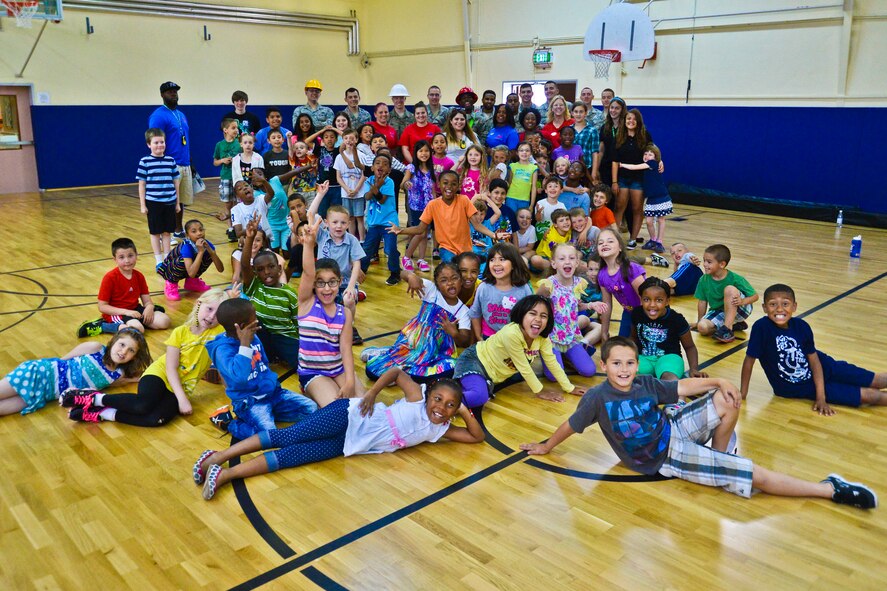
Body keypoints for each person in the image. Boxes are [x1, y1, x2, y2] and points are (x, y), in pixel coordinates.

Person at [520, 337, 878, 510]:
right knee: (753, 474)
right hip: (665, 460)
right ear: (604, 365)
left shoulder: (645, 383)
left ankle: (719, 455)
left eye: (630, 363)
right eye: (617, 364)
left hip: (672, 428)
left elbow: (684, 386)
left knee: (728, 398)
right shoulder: (596, 398)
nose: (625, 370)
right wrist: (546, 447)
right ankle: (830, 489)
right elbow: (571, 424)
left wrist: (720, 381)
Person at [194, 367, 484, 500]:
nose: (441, 408)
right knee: (288, 436)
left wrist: (462, 412)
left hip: (350, 444)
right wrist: (371, 393)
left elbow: (476, 437)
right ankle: (219, 456)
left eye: (450, 406)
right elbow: (396, 372)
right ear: (428, 394)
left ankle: (226, 475)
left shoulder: (440, 429)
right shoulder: (416, 399)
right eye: (438, 399)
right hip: (349, 415)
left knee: (290, 457)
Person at [64, 289, 229, 425]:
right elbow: (171, 368)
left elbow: (232, 323)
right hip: (160, 374)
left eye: (218, 313)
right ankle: (93, 398)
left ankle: (103, 413)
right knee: (142, 405)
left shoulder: (220, 333)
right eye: (209, 309)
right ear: (199, 304)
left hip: (181, 386)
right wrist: (182, 399)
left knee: (156, 419)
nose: (212, 316)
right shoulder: (180, 333)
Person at [741, 283, 887, 415]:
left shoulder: (802, 326)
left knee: (878, 380)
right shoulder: (761, 328)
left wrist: (821, 397)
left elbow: (815, 361)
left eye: (785, 304)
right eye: (773, 304)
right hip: (802, 386)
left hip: (827, 366)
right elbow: (749, 361)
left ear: (794, 307)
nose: (779, 309)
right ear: (765, 308)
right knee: (871, 396)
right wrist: (743, 393)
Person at [206, 299, 317, 437]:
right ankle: (229, 423)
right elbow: (240, 377)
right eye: (255, 318)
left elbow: (263, 365)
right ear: (242, 326)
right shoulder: (223, 350)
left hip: (273, 393)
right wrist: (244, 344)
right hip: (250, 402)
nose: (257, 320)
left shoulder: (254, 336)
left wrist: (270, 384)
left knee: (311, 408)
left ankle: (269, 414)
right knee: (269, 435)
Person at [456, 295, 586, 409]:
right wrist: (540, 391)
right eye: (532, 313)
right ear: (521, 315)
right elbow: (524, 367)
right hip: (474, 362)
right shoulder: (511, 333)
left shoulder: (543, 338)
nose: (538, 319)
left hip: (495, 374)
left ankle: (462, 383)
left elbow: (552, 363)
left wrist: (569, 387)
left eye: (544, 316)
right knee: (479, 397)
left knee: (520, 378)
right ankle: (441, 400)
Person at [0, 329, 149, 417]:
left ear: (134, 356)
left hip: (47, 394)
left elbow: (142, 375)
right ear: (113, 341)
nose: (123, 351)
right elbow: (62, 360)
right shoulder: (96, 348)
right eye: (122, 345)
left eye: (131, 350)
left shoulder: (118, 374)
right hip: (39, 373)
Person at [297, 217, 366, 406]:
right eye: (321, 283)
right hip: (313, 372)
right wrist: (309, 245)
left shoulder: (345, 313)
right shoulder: (306, 303)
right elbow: (308, 272)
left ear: (339, 282)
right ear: (314, 284)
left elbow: (345, 349)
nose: (327, 289)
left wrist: (351, 381)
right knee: (338, 410)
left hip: (338, 369)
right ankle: (309, 389)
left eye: (332, 282)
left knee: (363, 406)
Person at [363, 264, 472, 382]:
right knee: (371, 372)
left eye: (454, 278)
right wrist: (411, 276)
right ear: (437, 284)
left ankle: (398, 374)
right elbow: (402, 273)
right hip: (413, 344)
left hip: (436, 353)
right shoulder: (431, 290)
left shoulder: (463, 311)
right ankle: (385, 354)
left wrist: (454, 333)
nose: (450, 283)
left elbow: (465, 340)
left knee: (451, 368)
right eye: (444, 280)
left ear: (461, 281)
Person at [389, 170, 502, 263]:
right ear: (439, 184)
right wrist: (401, 230)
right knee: (453, 266)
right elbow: (420, 229)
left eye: (453, 184)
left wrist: (494, 235)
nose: (449, 187)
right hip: (446, 248)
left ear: (458, 186)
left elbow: (477, 225)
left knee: (465, 273)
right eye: (445, 183)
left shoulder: (464, 200)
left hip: (466, 249)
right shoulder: (433, 204)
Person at [306, 182, 366, 344]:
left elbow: (357, 265)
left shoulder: (352, 240)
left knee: (348, 299)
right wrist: (320, 194)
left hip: (344, 282)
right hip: (323, 283)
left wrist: (351, 286)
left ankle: (349, 327)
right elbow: (311, 214)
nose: (339, 226)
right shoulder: (322, 236)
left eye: (343, 223)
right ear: (326, 222)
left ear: (348, 223)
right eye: (335, 222)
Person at [536, 243, 605, 380]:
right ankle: (550, 354)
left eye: (571, 258)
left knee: (589, 370)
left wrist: (590, 305)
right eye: (562, 259)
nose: (567, 261)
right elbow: (535, 305)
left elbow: (574, 307)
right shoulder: (548, 285)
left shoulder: (579, 283)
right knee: (554, 377)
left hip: (571, 337)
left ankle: (565, 356)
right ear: (554, 264)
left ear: (577, 263)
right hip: (551, 338)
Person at [77, 238, 171, 337]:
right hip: (117, 313)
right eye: (121, 257)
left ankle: (135, 322)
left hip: (134, 310)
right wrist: (126, 312)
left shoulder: (139, 276)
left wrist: (149, 308)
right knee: (137, 330)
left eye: (130, 256)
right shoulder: (110, 278)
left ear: (136, 255)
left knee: (165, 321)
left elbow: (147, 301)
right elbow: (102, 306)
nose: (127, 261)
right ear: (115, 260)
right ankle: (103, 326)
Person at [240, 217, 301, 369]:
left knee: (301, 365)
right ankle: (271, 355)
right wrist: (249, 237)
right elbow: (244, 265)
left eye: (271, 267)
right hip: (264, 336)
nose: (266, 272)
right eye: (260, 269)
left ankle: (280, 354)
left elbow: (297, 322)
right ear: (255, 272)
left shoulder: (289, 293)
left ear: (280, 269)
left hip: (286, 337)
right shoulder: (255, 287)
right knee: (253, 323)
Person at [631, 277, 705, 381]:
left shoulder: (677, 319)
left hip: (669, 358)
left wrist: (693, 369)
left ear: (667, 301)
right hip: (643, 358)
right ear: (641, 300)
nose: (652, 305)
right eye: (647, 299)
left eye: (659, 300)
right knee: (629, 378)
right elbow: (633, 338)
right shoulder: (637, 313)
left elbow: (690, 347)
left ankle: (680, 396)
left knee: (669, 380)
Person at [148, 81, 192, 238]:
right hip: (169, 163)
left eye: (175, 91)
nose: (173, 93)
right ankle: (166, 232)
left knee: (180, 201)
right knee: (167, 200)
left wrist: (190, 162)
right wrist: (161, 162)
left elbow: (184, 139)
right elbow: (155, 140)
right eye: (169, 91)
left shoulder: (181, 114)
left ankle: (178, 230)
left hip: (184, 163)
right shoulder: (158, 116)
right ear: (162, 95)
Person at [693, 244, 758, 343]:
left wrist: (742, 301)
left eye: (709, 262)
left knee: (729, 290)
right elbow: (702, 301)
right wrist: (698, 322)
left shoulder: (735, 278)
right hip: (720, 311)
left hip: (741, 308)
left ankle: (727, 330)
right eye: (704, 260)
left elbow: (755, 296)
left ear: (722, 264)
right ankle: (734, 325)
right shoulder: (703, 280)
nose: (705, 264)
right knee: (702, 328)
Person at [468, 242, 533, 341]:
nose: (496, 264)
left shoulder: (523, 289)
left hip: (515, 337)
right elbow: (475, 313)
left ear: (514, 264)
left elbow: (530, 316)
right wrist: (479, 337)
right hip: (489, 336)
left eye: (502, 259)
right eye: (492, 260)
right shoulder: (483, 288)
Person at [136, 128, 180, 266]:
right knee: (155, 232)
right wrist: (143, 205)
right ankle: (159, 260)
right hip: (153, 202)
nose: (160, 145)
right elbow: (142, 185)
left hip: (169, 201)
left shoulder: (170, 161)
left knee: (167, 232)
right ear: (149, 144)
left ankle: (167, 258)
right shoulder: (145, 162)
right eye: (156, 142)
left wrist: (177, 203)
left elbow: (176, 182)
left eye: (162, 142)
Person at [611, 109, 652, 249]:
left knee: (637, 208)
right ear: (625, 120)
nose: (631, 121)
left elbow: (653, 154)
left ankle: (633, 239)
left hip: (639, 179)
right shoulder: (619, 137)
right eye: (628, 118)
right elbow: (615, 161)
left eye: (634, 119)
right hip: (622, 178)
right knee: (619, 207)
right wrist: (614, 181)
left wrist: (660, 161)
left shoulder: (645, 136)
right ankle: (615, 238)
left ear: (638, 122)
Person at [155, 219, 222, 301]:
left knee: (208, 255)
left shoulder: (207, 244)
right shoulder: (186, 246)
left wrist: (212, 253)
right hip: (168, 270)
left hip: (190, 270)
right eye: (194, 231)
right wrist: (200, 252)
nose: (199, 233)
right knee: (183, 260)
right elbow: (191, 273)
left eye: (201, 230)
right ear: (187, 235)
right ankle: (171, 284)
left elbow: (221, 269)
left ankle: (192, 282)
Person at [597, 228, 645, 340]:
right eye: (600, 242)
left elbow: (645, 298)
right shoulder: (602, 275)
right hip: (628, 313)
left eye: (610, 241)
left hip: (646, 313)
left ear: (620, 248)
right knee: (622, 345)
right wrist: (604, 332)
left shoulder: (631, 268)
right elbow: (606, 305)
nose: (605, 244)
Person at [360, 154, 401, 287]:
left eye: (384, 164)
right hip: (373, 223)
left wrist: (377, 187)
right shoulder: (368, 181)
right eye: (377, 163)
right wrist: (376, 186)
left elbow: (382, 200)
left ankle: (395, 273)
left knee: (390, 249)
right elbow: (367, 197)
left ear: (389, 169)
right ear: (372, 167)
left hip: (389, 222)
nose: (380, 166)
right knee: (367, 249)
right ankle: (361, 269)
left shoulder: (389, 182)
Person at [401, 140, 437, 272]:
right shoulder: (411, 168)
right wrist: (406, 184)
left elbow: (433, 188)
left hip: (429, 206)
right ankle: (406, 257)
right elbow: (403, 183)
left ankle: (421, 259)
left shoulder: (432, 169)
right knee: (419, 232)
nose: (424, 153)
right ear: (416, 153)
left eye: (426, 150)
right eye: (421, 151)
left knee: (425, 232)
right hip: (416, 206)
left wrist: (436, 202)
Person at [333, 128, 367, 241]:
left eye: (352, 138)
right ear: (342, 140)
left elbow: (364, 174)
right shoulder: (339, 157)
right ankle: (352, 239)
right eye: (346, 138)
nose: (349, 141)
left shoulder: (361, 156)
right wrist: (347, 189)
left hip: (359, 193)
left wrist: (356, 190)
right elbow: (338, 177)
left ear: (356, 140)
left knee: (359, 217)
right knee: (350, 218)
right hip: (345, 193)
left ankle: (362, 240)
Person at [213, 118, 242, 240]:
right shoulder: (219, 145)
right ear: (225, 130)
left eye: (236, 128)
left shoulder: (239, 143)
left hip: (238, 177)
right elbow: (215, 162)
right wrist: (222, 161)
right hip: (226, 177)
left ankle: (237, 227)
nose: (236, 130)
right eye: (233, 128)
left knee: (238, 202)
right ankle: (230, 227)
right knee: (228, 203)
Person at [529, 208, 573, 273]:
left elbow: (587, 219)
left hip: (560, 257)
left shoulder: (568, 228)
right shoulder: (550, 236)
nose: (565, 222)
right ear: (555, 224)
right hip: (546, 257)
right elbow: (550, 257)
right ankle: (556, 271)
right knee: (535, 260)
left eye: (567, 219)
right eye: (561, 221)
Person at [504, 143, 538, 213]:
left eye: (527, 150)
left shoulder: (534, 168)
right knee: (510, 220)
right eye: (521, 150)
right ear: (517, 152)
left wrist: (531, 205)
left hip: (525, 200)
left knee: (522, 222)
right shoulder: (512, 166)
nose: (524, 152)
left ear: (531, 153)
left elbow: (534, 187)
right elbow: (509, 183)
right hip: (511, 198)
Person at [571, 102, 600, 176]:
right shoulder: (569, 129)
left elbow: (595, 153)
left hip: (587, 167)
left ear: (585, 113)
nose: (578, 114)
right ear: (572, 113)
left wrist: (594, 172)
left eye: (581, 112)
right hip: (571, 167)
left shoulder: (592, 130)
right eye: (576, 112)